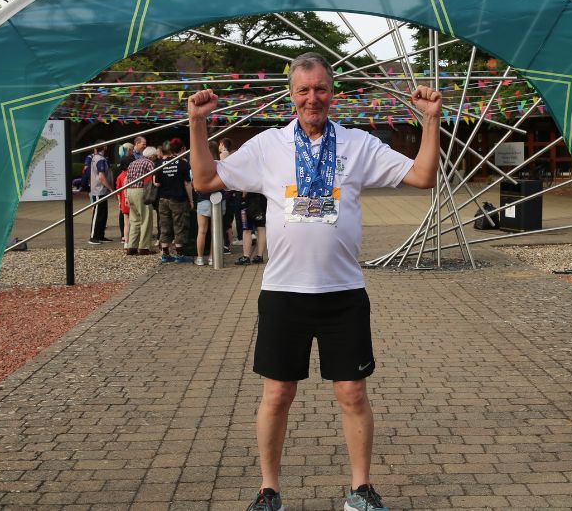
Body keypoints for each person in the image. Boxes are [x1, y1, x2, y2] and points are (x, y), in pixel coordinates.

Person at [187, 52, 442, 511]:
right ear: (291, 95)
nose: (312, 98)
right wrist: (198, 123)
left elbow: (423, 176)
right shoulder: (268, 145)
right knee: (277, 394)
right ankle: (269, 491)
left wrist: (430, 120)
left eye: (320, 89)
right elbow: (205, 179)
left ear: (332, 93)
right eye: (303, 90)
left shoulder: (358, 144)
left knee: (353, 392)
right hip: (283, 293)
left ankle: (360, 491)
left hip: (343, 293)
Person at [153, 141, 193, 263]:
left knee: (164, 225)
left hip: (163, 199)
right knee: (179, 224)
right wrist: (191, 200)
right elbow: (187, 183)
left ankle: (165, 254)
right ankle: (179, 254)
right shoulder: (182, 163)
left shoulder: (159, 164)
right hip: (178, 199)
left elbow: (157, 183)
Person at [123, 146, 157, 255]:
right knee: (146, 219)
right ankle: (144, 247)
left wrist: (126, 196)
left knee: (134, 220)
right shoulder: (149, 163)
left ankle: (131, 246)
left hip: (130, 191)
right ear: (152, 156)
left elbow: (126, 179)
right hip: (141, 191)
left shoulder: (133, 163)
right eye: (155, 156)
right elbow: (155, 177)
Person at [87, 144, 115, 244]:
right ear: (105, 147)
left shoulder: (96, 158)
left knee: (102, 214)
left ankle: (100, 235)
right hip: (99, 190)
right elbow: (101, 176)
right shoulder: (100, 159)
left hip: (100, 190)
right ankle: (93, 237)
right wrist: (110, 188)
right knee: (98, 214)